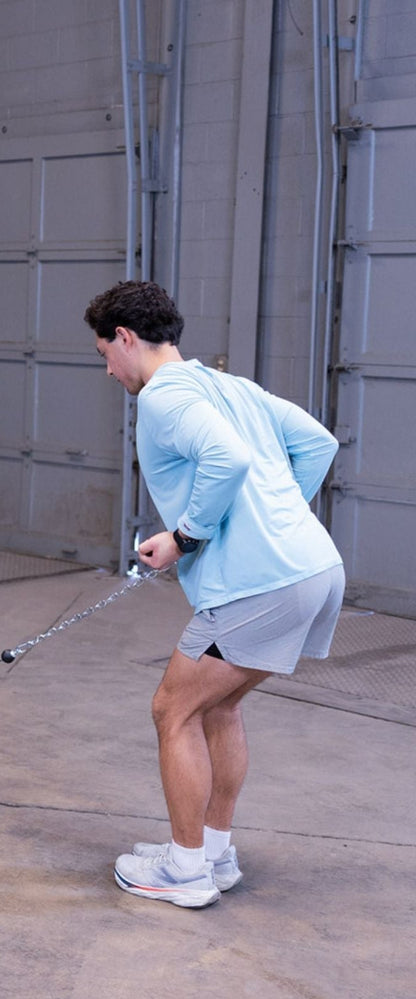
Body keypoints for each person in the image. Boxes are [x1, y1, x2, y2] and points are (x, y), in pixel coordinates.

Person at [83, 280, 344, 908]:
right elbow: (319, 444)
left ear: (124, 337)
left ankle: (184, 872)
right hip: (312, 568)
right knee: (217, 708)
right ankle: (211, 852)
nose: (109, 370)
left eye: (104, 355)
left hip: (263, 585)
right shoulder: (230, 385)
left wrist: (186, 536)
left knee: (172, 709)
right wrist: (272, 520)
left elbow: (226, 459)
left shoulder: (165, 395)